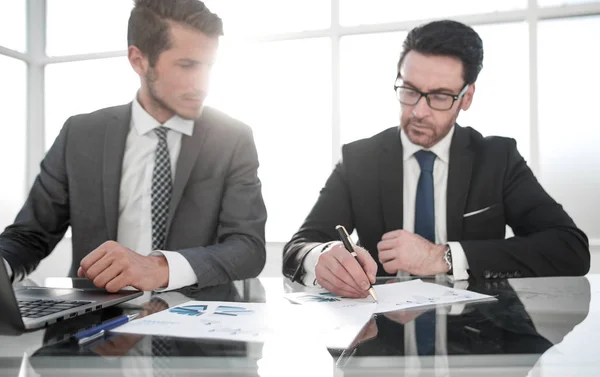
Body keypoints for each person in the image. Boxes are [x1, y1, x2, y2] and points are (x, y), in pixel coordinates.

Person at [282, 20, 589, 298]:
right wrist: (322, 256)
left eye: (440, 96)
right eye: (409, 91)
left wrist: (442, 257)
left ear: (466, 98)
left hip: (478, 340)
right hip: (382, 340)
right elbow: (299, 247)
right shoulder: (359, 159)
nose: (418, 111)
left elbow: (569, 249)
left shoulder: (497, 159)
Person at [0, 0, 267, 292]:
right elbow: (29, 236)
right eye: (187, 65)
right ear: (139, 60)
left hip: (200, 321)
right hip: (93, 322)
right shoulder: (80, 134)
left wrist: (159, 268)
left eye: (209, 66)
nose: (202, 84)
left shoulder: (232, 138)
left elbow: (248, 248)